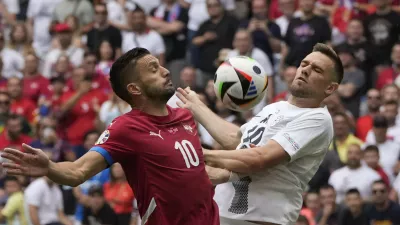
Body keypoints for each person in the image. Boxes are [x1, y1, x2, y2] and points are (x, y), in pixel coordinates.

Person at [1, 47, 219, 225]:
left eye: (160, 65)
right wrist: (50, 168)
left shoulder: (185, 116)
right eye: (153, 69)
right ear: (135, 88)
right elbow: (79, 170)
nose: (165, 71)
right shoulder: (126, 127)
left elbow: (196, 171)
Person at [176, 43, 342, 224]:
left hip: (261, 219)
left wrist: (197, 154)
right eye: (304, 64)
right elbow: (238, 140)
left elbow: (259, 158)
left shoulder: (318, 119)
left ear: (330, 88)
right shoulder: (276, 107)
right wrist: (197, 107)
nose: (305, 70)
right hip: (222, 214)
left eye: (316, 69)